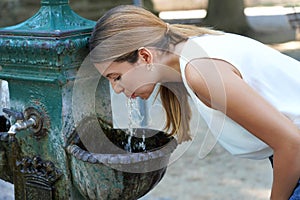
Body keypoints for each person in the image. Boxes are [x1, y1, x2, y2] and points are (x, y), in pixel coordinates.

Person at [89, 5, 300, 199]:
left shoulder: (200, 72)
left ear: (144, 56)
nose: (116, 89)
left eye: (116, 77)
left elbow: (292, 144)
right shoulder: (193, 50)